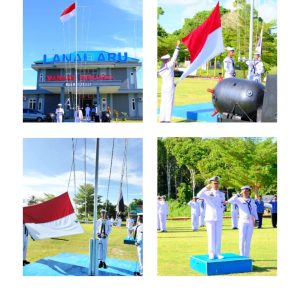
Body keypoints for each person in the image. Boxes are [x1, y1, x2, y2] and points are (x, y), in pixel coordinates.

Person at [197, 176, 225, 259]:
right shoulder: (207, 193)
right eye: (214, 183)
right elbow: (199, 195)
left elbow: (222, 204)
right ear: (211, 184)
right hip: (210, 217)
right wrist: (206, 187)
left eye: (217, 183)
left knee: (218, 236)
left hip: (219, 217)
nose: (216, 185)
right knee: (211, 236)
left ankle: (218, 253)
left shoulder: (222, 194)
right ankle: (211, 253)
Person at [228, 186, 258, 257]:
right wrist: (238, 194)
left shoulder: (252, 200)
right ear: (241, 192)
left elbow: (254, 211)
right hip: (242, 221)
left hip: (250, 221)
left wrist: (257, 220)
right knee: (242, 238)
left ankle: (247, 256)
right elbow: (230, 201)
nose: (245, 192)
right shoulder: (238, 199)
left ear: (249, 192)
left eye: (247, 191)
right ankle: (242, 255)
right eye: (244, 191)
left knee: (248, 240)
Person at [158, 40, 180, 123]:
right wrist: (177, 47)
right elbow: (175, 57)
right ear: (168, 59)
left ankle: (162, 119)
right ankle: (167, 119)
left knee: (163, 102)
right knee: (169, 102)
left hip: (164, 86)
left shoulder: (161, 68)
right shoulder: (169, 65)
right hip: (170, 85)